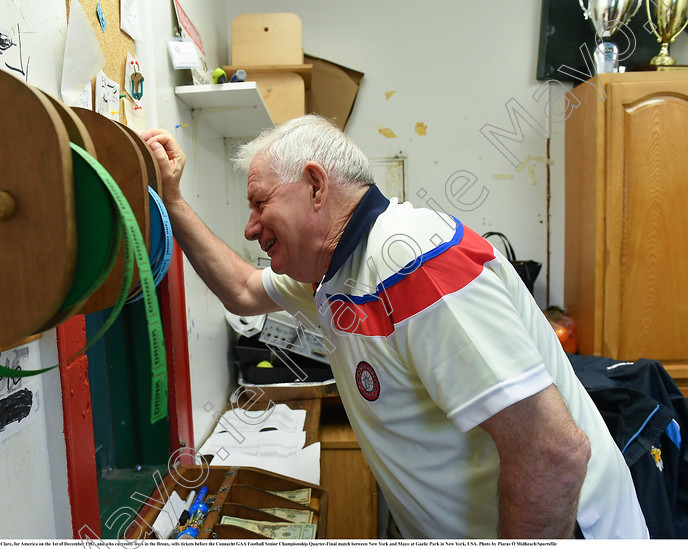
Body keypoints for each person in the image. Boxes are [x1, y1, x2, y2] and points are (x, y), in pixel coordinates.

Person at [141, 115, 648, 539]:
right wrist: (174, 201)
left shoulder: (415, 265)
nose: (250, 226)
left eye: (259, 203)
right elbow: (244, 291)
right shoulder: (334, 274)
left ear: (315, 187)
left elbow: (552, 452)